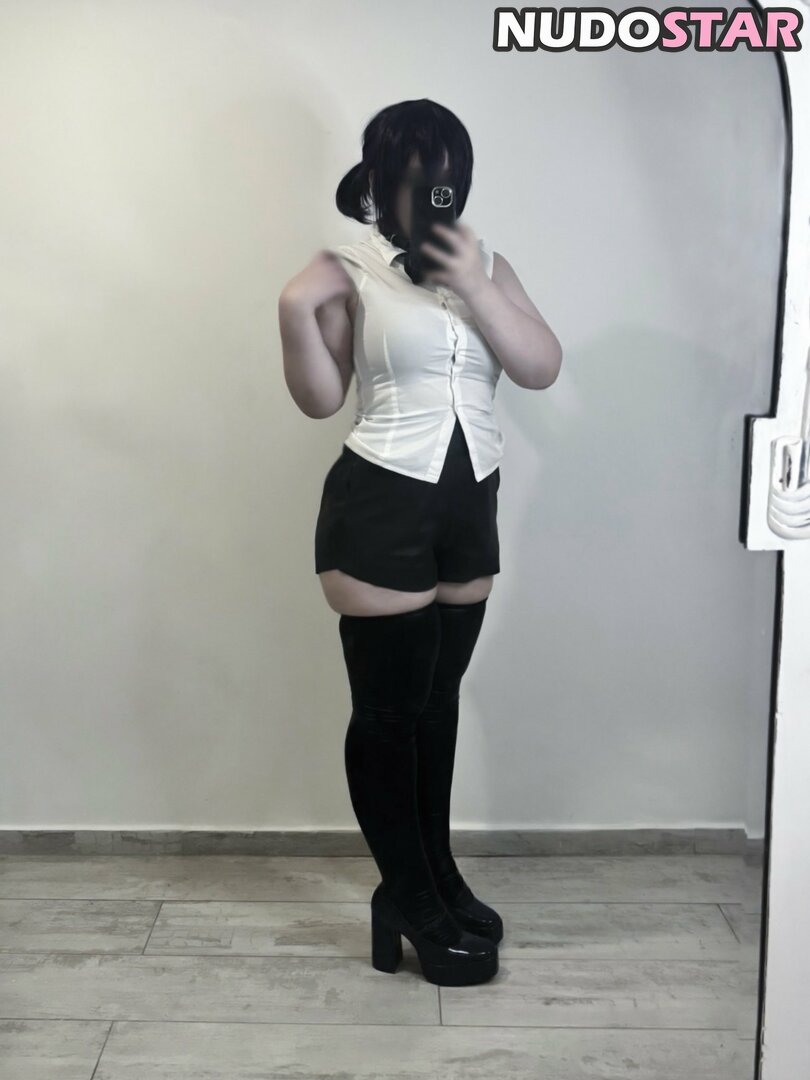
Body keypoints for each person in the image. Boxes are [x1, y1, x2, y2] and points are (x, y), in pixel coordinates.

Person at [278, 99, 562, 986]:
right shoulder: (345, 266)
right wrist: (295, 313)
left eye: (443, 171)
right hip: (381, 503)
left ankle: (434, 879)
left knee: (437, 704)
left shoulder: (489, 263)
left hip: (469, 507)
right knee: (390, 714)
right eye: (409, 169)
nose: (428, 186)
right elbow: (321, 400)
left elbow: (539, 366)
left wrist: (474, 282)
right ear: (377, 177)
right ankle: (407, 894)